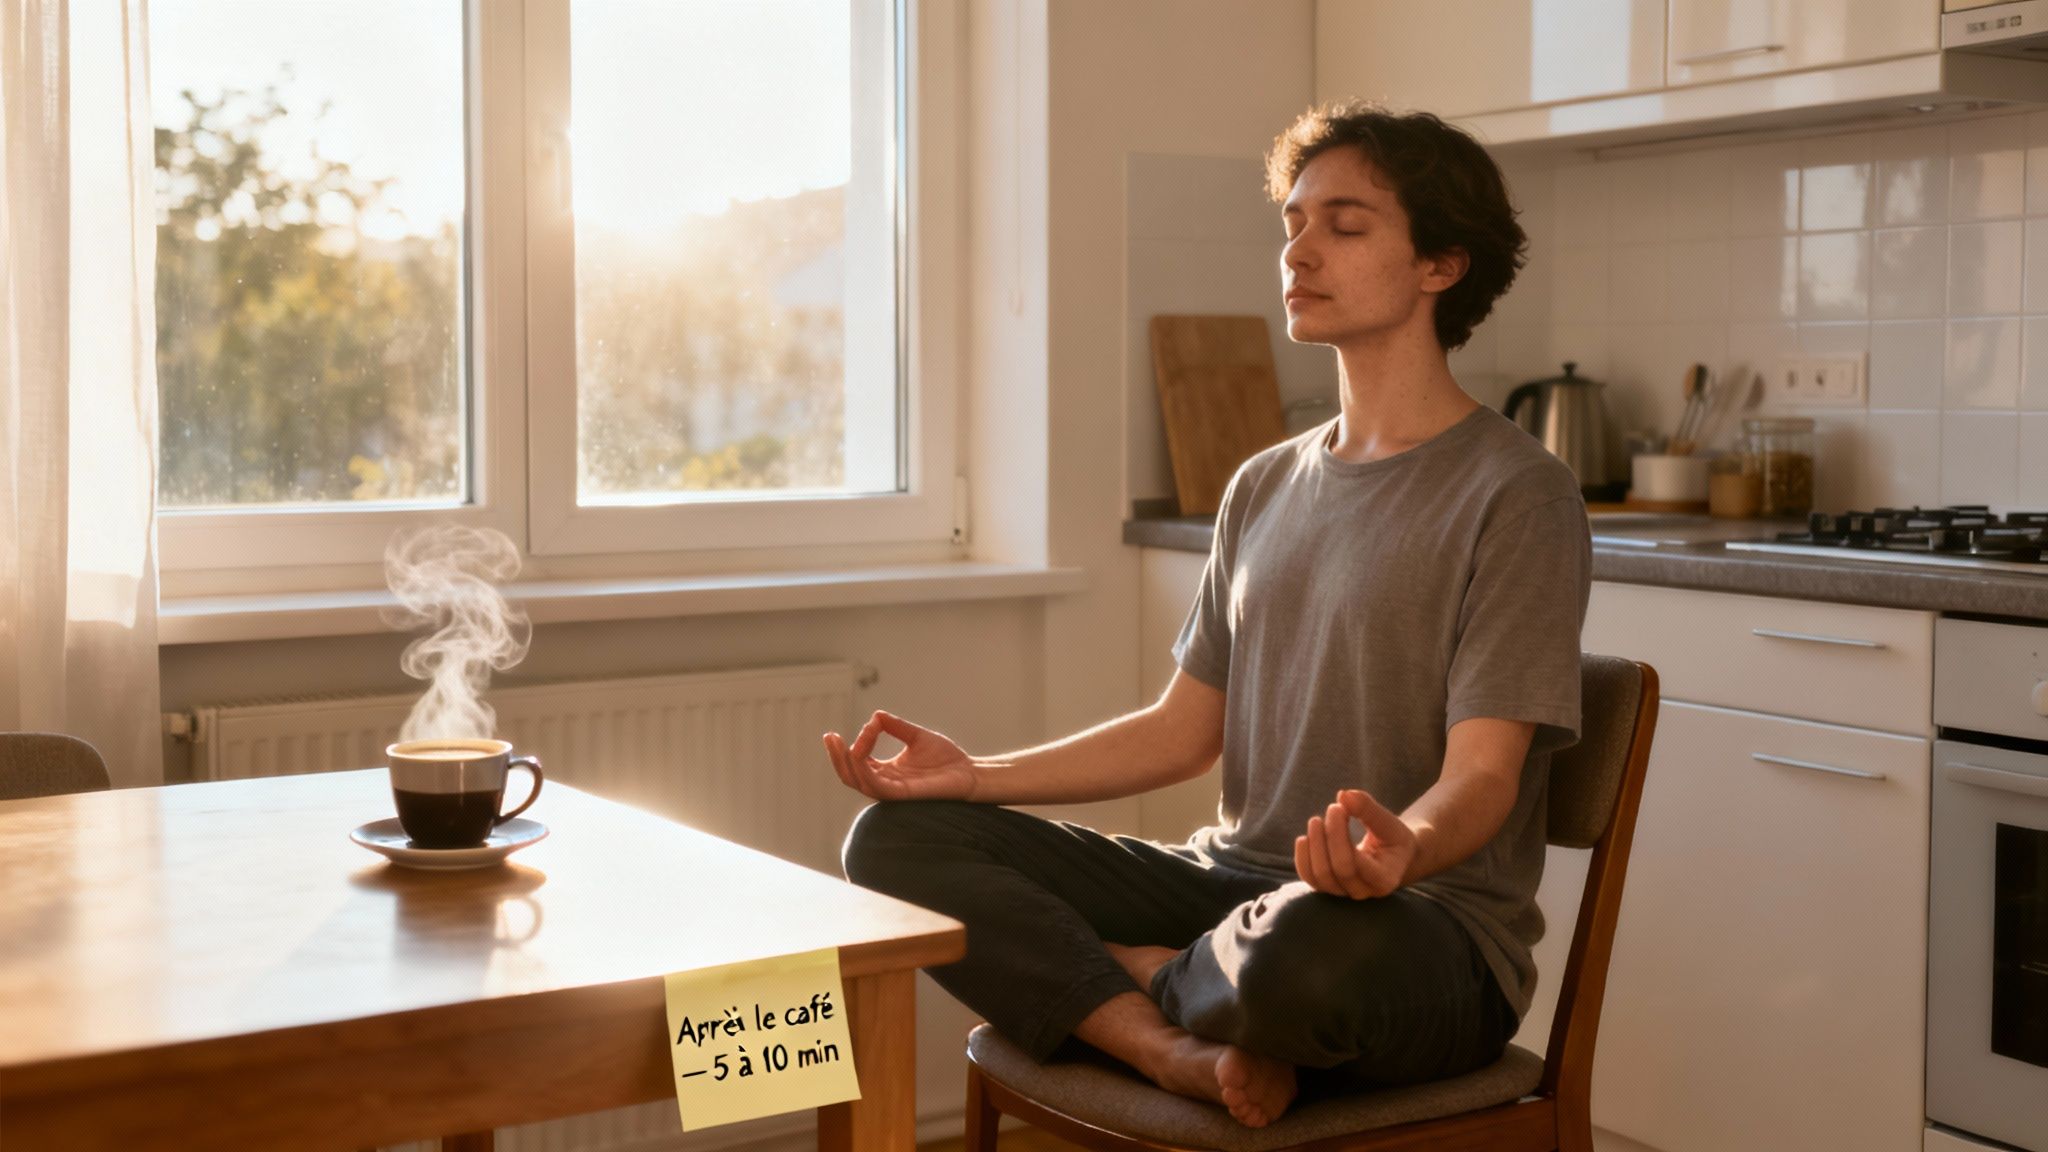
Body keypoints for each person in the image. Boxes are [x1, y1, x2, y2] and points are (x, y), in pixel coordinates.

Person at [824, 101, 1591, 1130]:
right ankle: (1170, 1043)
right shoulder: (1261, 484)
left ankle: (1137, 978)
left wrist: (1401, 845)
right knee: (895, 842)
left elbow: (1483, 775)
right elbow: (1183, 732)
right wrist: (976, 778)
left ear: (1438, 266)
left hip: (1415, 931)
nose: (1298, 251)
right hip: (1231, 891)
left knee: (1297, 961)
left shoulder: (1517, 494)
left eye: (1344, 225)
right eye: (1292, 222)